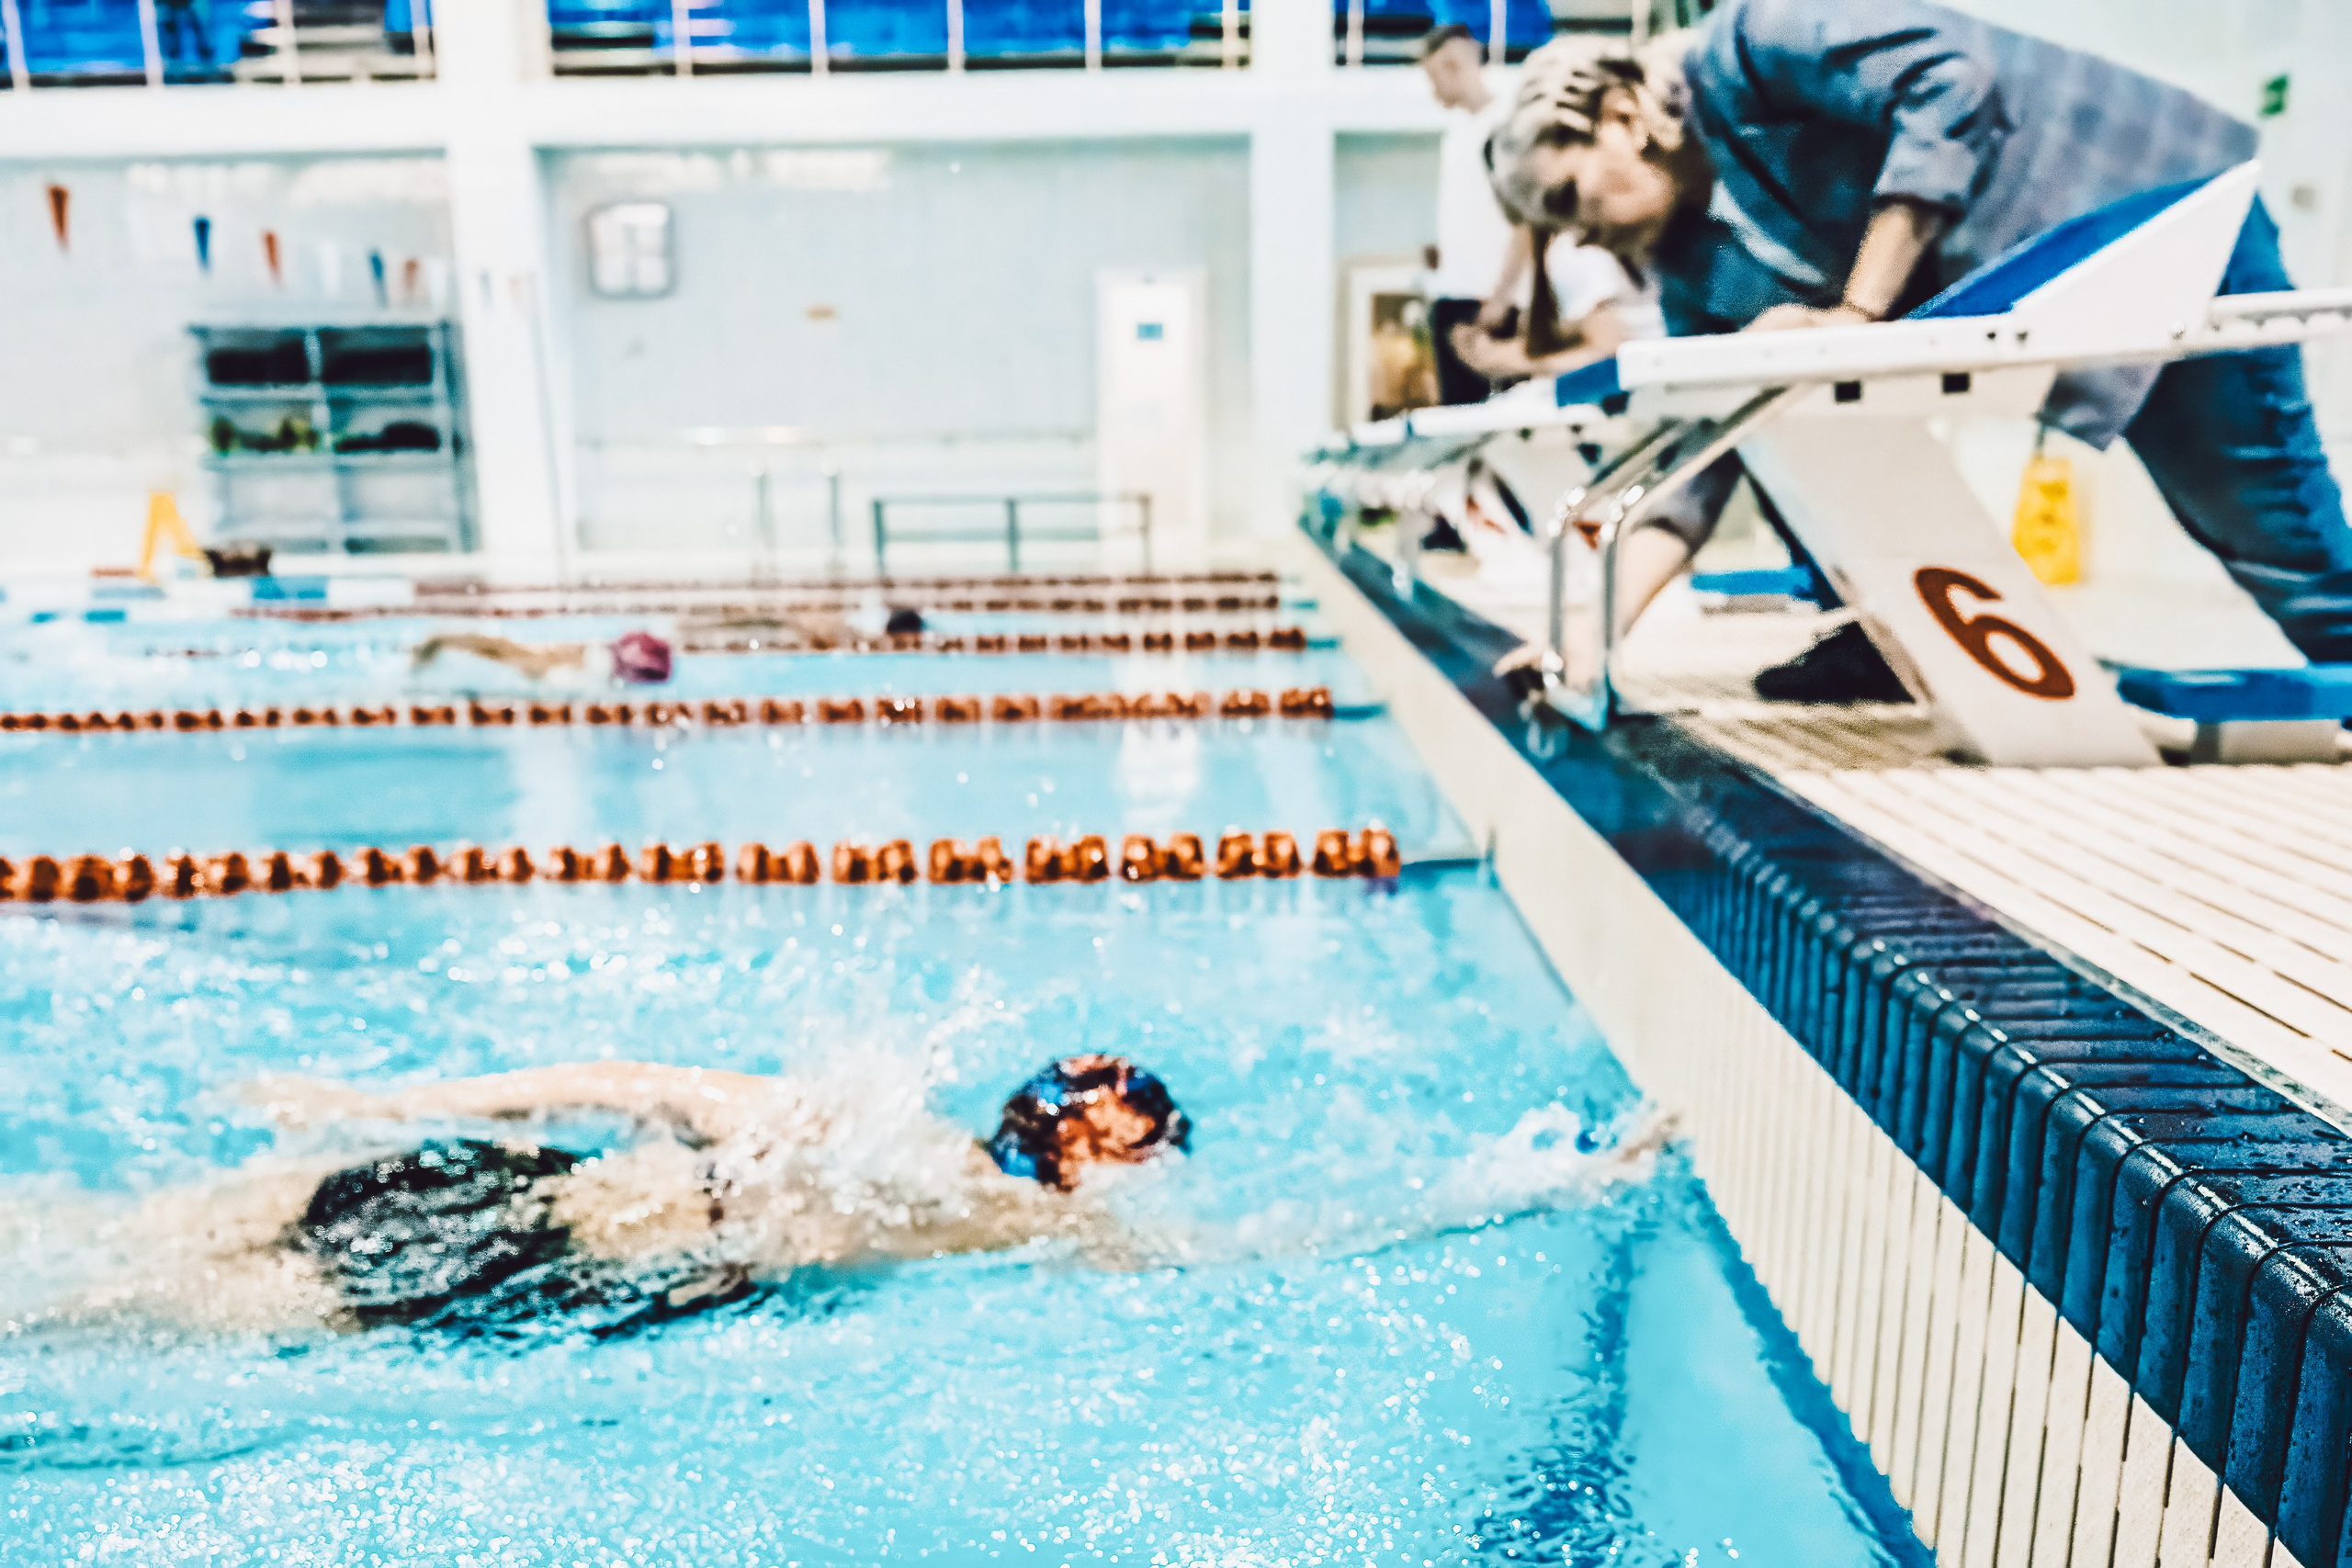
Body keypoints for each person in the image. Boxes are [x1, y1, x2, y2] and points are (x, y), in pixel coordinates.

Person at [1483, 0, 2352, 697]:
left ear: (1621, 114)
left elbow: (1950, 80)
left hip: (2162, 221)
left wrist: (1856, 312)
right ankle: (1870, 638)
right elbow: (1705, 458)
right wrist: (1584, 640)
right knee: (1791, 421)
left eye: (1567, 198)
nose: (1582, 240)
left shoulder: (1752, 43)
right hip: (2069, 278)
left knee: (2278, 543)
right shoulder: (1694, 265)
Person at [37, 1055, 1192, 1337]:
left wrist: (369, 1101)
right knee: (102, 1319)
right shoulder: (1029, 1215)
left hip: (491, 1182)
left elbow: (612, 1077)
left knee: (88, 1237)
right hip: (504, 1257)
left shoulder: (862, 1113)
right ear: (1102, 1155)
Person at [412, 627, 673, 686]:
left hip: (597, 665)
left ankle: (442, 640)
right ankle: (442, 640)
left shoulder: (592, 664)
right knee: (511, 654)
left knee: (512, 653)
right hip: (600, 666)